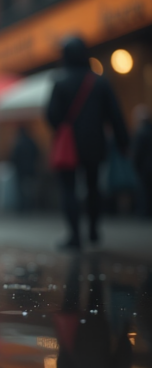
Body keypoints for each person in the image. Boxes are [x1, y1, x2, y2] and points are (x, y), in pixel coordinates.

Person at [46, 36, 128, 249]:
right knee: (93, 187)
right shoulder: (99, 81)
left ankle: (75, 236)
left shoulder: (59, 81)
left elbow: (51, 115)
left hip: (69, 145)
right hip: (94, 144)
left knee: (69, 189)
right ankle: (93, 231)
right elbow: (115, 115)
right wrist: (123, 142)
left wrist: (62, 129)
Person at [10, 126, 40, 212]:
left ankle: (22, 207)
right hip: (31, 169)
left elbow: (14, 157)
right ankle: (30, 206)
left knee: (20, 189)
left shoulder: (18, 143)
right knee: (30, 189)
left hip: (20, 170)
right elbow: (37, 154)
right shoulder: (31, 142)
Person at [131, 105, 152, 217]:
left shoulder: (140, 133)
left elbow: (137, 153)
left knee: (144, 191)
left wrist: (135, 165)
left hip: (144, 167)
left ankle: (144, 213)